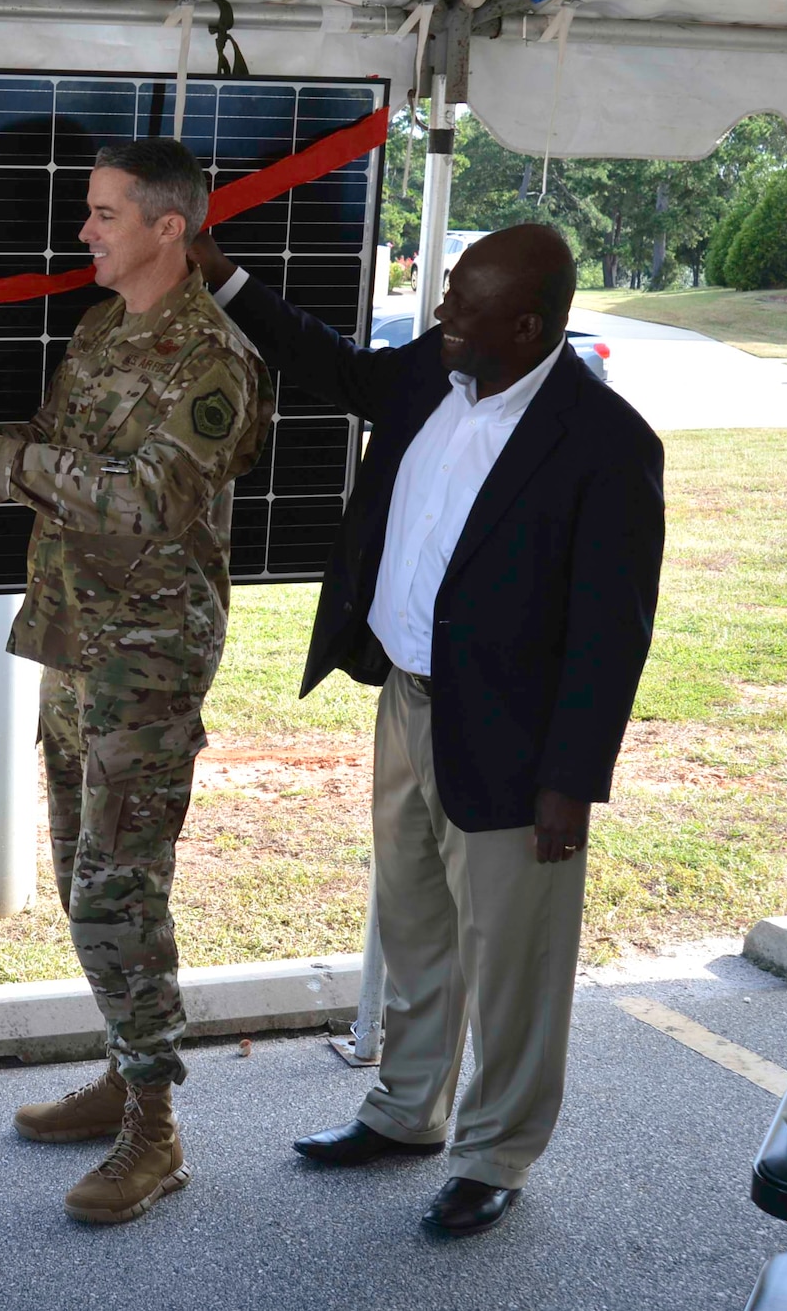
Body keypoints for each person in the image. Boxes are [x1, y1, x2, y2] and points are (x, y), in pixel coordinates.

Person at [190, 225, 664, 1236]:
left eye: (461, 301)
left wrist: (566, 781)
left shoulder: (605, 445)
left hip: (515, 738)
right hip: (406, 700)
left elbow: (607, 636)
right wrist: (222, 273)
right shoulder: (430, 372)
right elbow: (333, 365)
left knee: (513, 958)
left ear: (525, 325)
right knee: (412, 922)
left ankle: (495, 1150)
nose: (439, 312)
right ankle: (407, 1110)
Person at [0, 139, 273, 1225]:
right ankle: (123, 1068)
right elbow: (63, 470)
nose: (83, 232)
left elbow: (146, 498)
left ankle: (154, 1126)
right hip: (73, 636)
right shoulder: (101, 331)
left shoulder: (213, 361)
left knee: (119, 882)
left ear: (166, 228)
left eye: (103, 214)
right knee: (80, 870)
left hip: (147, 655)